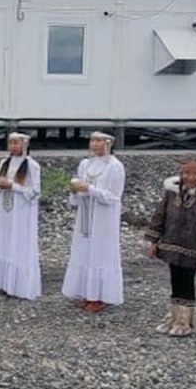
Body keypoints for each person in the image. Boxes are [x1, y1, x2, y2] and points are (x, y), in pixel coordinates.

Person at [144, 158, 196, 336]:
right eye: (186, 173)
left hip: (192, 248)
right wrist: (153, 241)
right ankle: (174, 316)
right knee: (175, 280)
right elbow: (159, 216)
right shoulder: (171, 193)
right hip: (171, 244)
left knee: (187, 282)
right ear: (181, 174)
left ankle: (186, 320)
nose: (190, 177)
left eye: (195, 174)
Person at [62, 131, 125, 312]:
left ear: (108, 143)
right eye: (92, 140)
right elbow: (78, 193)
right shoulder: (85, 164)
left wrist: (89, 189)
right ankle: (86, 293)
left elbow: (113, 197)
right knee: (84, 252)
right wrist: (75, 191)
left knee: (101, 254)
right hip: (85, 217)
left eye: (99, 141)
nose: (95, 144)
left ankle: (101, 295)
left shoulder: (114, 166)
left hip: (104, 219)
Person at [0, 132, 42, 299]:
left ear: (24, 145)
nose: (13, 146)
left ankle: (20, 285)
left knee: (18, 242)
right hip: (5, 210)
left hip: (22, 211)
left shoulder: (32, 165)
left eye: (16, 143)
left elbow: (35, 192)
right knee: (4, 240)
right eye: (10, 143)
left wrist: (13, 186)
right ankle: (2, 281)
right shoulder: (4, 163)